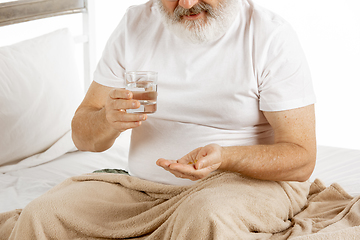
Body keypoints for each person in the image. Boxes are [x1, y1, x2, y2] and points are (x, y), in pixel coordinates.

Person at [7, 0, 317, 238]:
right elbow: (82, 136)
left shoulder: (269, 35)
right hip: (143, 191)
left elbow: (302, 159)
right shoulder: (135, 25)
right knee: (44, 213)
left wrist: (226, 158)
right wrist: (108, 120)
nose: (185, 4)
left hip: (244, 185)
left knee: (203, 217)